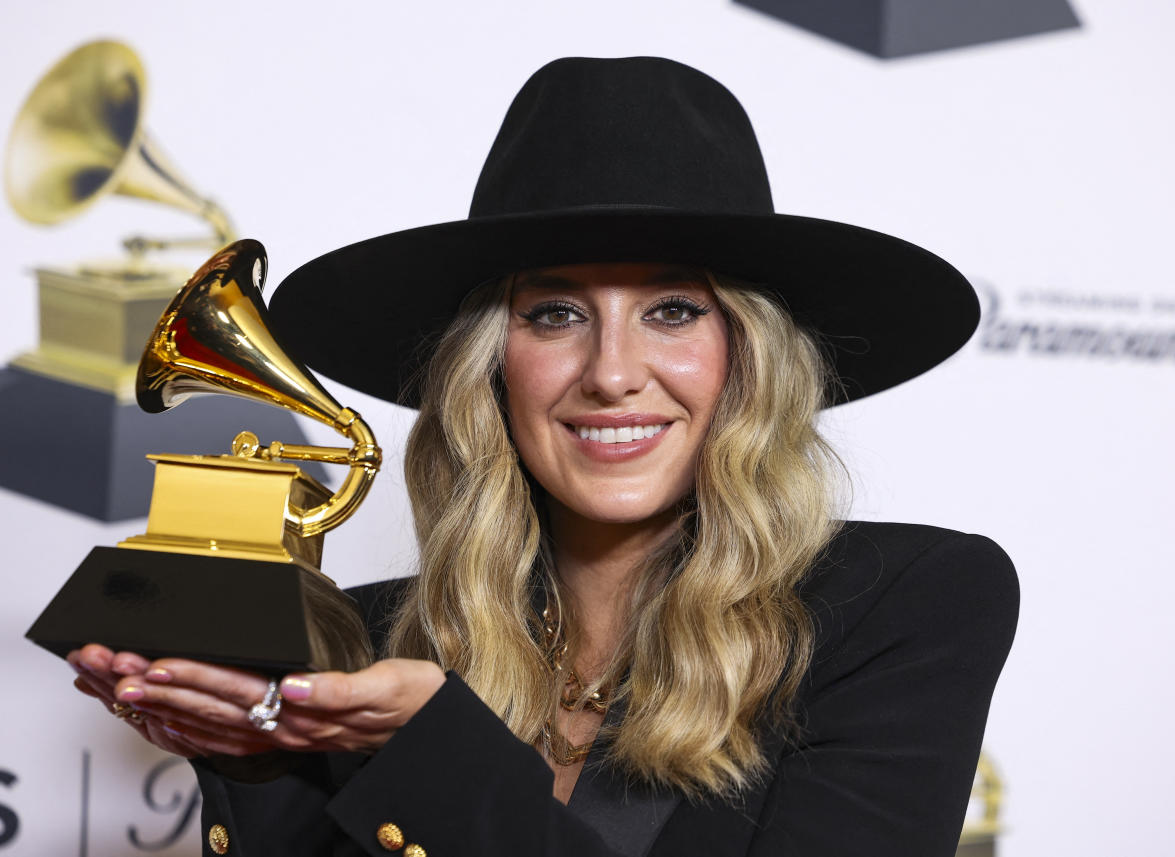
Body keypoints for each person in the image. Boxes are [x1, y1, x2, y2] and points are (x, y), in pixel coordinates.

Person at [67, 57, 1018, 857]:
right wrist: (258, 758)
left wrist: (436, 750)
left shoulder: (904, 603)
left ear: (747, 356)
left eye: (673, 311)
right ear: (491, 367)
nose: (611, 374)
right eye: (555, 314)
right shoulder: (373, 646)